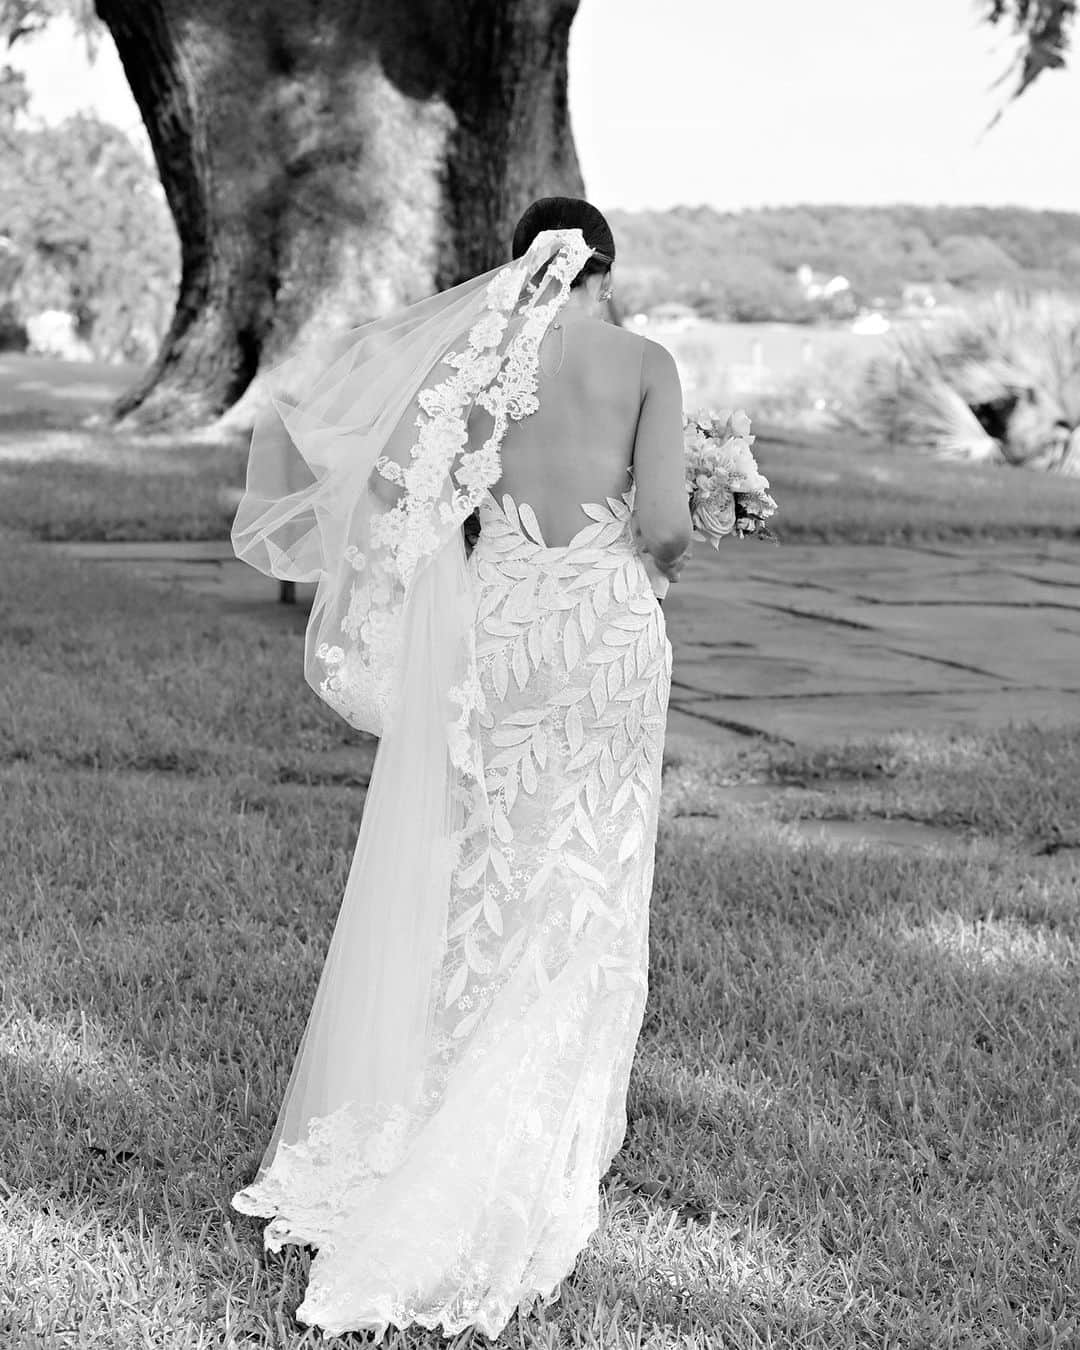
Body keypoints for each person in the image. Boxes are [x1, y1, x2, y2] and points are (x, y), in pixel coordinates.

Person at [228, 196, 693, 1339]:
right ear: (604, 270)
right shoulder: (646, 360)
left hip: (501, 633)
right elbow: (669, 524)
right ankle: (520, 1136)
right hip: (606, 635)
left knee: (487, 869)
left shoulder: (482, 365)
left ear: (525, 265)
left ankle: (433, 1104)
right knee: (585, 871)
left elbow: (407, 494)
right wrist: (663, 533)